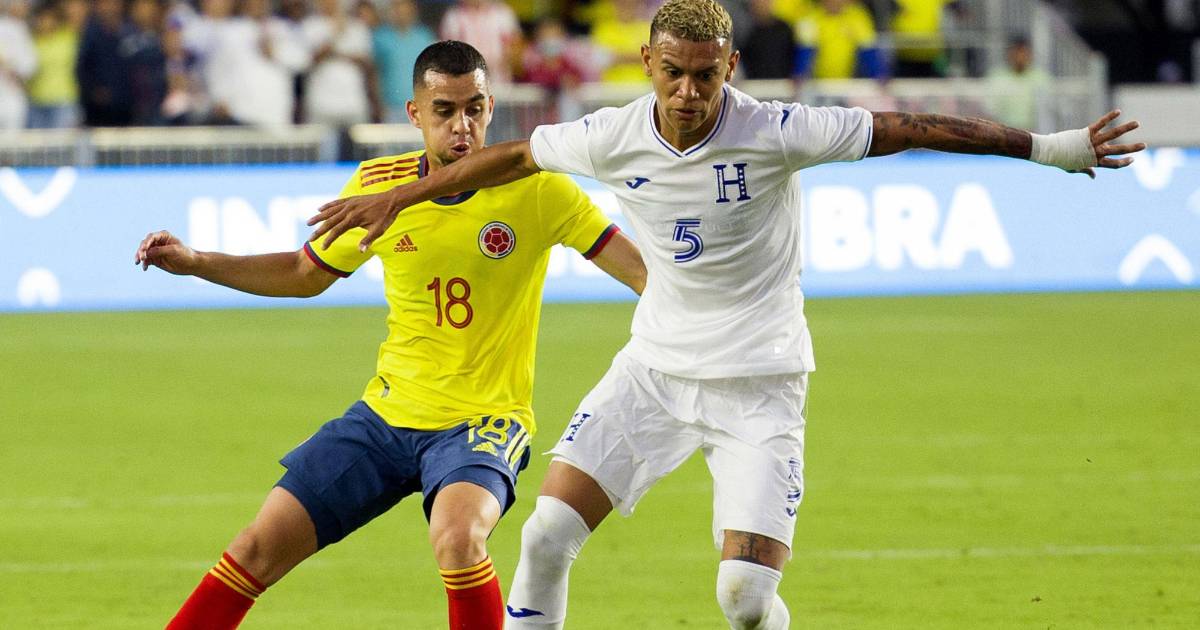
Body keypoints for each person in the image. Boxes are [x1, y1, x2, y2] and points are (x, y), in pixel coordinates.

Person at [306, 0, 1145, 627]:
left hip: (760, 384)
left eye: (705, 75)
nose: (687, 91)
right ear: (647, 62)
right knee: (545, 534)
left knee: (743, 599)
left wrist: (1049, 148)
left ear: (730, 66)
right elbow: (510, 158)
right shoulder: (610, 134)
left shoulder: (778, 130)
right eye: (672, 72)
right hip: (653, 373)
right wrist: (402, 196)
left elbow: (912, 126)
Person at [140, 41, 645, 630]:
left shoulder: (540, 190)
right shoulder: (379, 185)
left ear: (491, 107)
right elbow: (304, 273)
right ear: (414, 113)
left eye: (474, 109)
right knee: (255, 547)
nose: (462, 126)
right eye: (444, 111)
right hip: (384, 417)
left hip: (483, 421)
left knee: (459, 538)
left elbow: (641, 273)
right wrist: (199, 262)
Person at [370, 0, 435, 124]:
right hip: (391, 107)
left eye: (405, 7)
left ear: (413, 10)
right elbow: (374, 73)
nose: (401, 12)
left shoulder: (425, 36)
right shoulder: (380, 37)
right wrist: (378, 104)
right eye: (397, 7)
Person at [987, 35, 1050, 132]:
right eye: (1016, 53)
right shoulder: (997, 77)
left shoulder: (1041, 77)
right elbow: (989, 110)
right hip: (1003, 132)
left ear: (1030, 55)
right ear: (1009, 54)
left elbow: (1047, 110)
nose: (1020, 57)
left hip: (1034, 133)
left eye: (1023, 53)